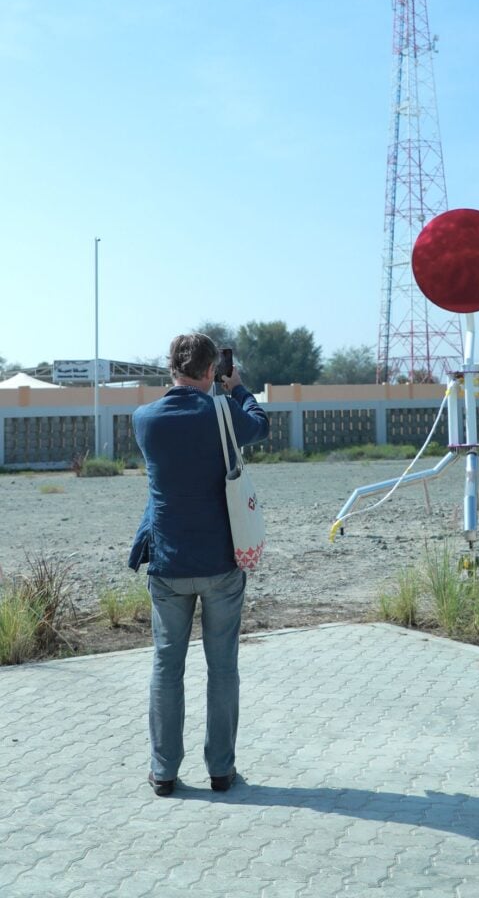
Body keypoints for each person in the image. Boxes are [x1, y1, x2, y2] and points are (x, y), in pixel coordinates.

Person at [128, 332, 269, 797]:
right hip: (221, 564)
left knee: (166, 666)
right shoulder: (223, 412)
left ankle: (163, 772)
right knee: (222, 667)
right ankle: (221, 771)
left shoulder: (144, 419)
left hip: (168, 563)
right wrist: (237, 389)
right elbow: (260, 424)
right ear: (212, 371)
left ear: (171, 368)